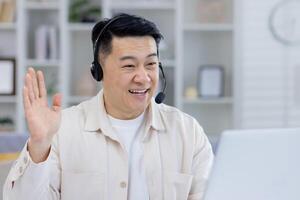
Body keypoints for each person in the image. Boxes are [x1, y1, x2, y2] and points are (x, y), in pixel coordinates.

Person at [3, 13, 214, 200]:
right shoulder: (62, 130)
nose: (143, 77)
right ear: (99, 72)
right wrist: (39, 145)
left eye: (151, 64)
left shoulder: (188, 132)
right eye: (129, 66)